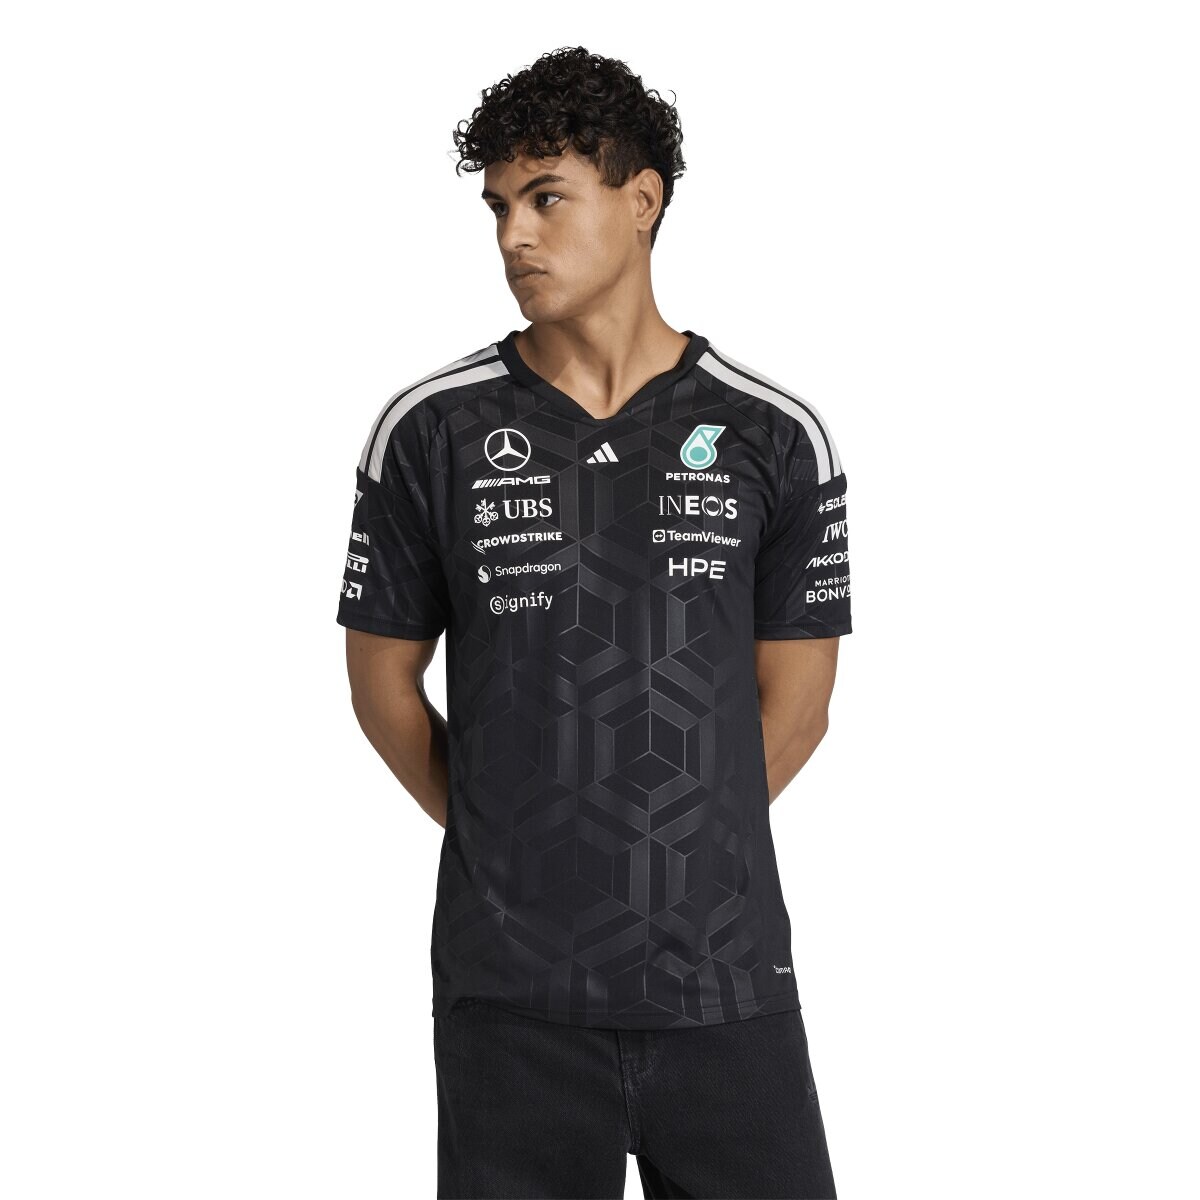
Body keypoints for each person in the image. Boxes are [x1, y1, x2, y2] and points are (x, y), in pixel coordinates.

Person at [336, 45, 851, 1200]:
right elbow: (380, 692)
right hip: (510, 999)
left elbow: (798, 710)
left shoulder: (775, 436)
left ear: (642, 199)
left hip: (725, 986)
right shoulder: (430, 430)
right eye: (499, 208)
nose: (514, 236)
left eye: (546, 198)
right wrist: (522, 847)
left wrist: (660, 852)